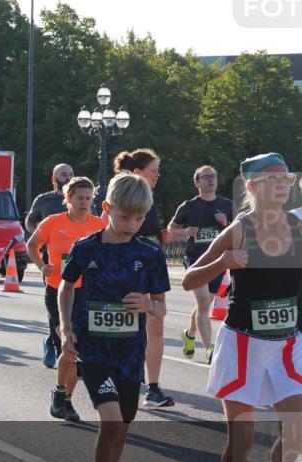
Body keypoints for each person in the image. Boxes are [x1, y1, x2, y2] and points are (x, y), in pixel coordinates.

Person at [183, 153, 301, 462]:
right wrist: (225, 262)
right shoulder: (240, 228)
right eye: (271, 180)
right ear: (251, 187)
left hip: (287, 343)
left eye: (285, 178)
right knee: (243, 436)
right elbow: (189, 279)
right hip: (243, 344)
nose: (281, 185)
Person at [60, 172, 170, 462]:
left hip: (129, 353)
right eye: (125, 217)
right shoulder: (86, 248)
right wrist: (65, 330)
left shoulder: (150, 253)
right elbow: (65, 286)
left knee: (120, 429)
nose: (132, 225)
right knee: (110, 421)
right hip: (94, 351)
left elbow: (161, 306)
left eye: (139, 218)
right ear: (107, 209)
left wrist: (149, 305)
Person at [26, 177, 105, 421]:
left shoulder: (100, 225)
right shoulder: (53, 222)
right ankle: (61, 395)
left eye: (88, 198)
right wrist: (42, 266)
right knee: (69, 343)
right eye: (79, 198)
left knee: (79, 352)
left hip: (89, 293)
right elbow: (32, 245)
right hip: (58, 291)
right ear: (68, 199)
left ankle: (64, 399)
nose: (84, 202)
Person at [103, 149, 175, 409]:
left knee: (156, 323)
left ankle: (153, 388)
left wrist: (161, 234)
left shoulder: (150, 198)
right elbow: (105, 228)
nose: (158, 174)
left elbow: (149, 232)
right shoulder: (121, 198)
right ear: (137, 172)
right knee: (123, 325)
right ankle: (109, 375)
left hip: (149, 266)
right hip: (122, 269)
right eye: (154, 169)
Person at [168, 166, 235, 364]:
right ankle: (209, 349)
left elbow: (239, 231)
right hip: (195, 260)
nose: (210, 180)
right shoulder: (189, 206)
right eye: (205, 177)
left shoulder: (227, 205)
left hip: (217, 262)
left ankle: (189, 335)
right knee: (204, 303)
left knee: (203, 305)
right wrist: (185, 232)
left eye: (213, 176)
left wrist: (225, 223)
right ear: (197, 182)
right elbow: (172, 229)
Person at [27, 163, 75, 366]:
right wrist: (42, 235)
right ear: (54, 179)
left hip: (76, 258)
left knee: (74, 305)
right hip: (52, 260)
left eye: (71, 174)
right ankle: (56, 346)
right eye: (64, 174)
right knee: (55, 302)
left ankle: (56, 340)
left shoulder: (78, 199)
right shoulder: (44, 200)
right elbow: (29, 222)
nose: (68, 177)